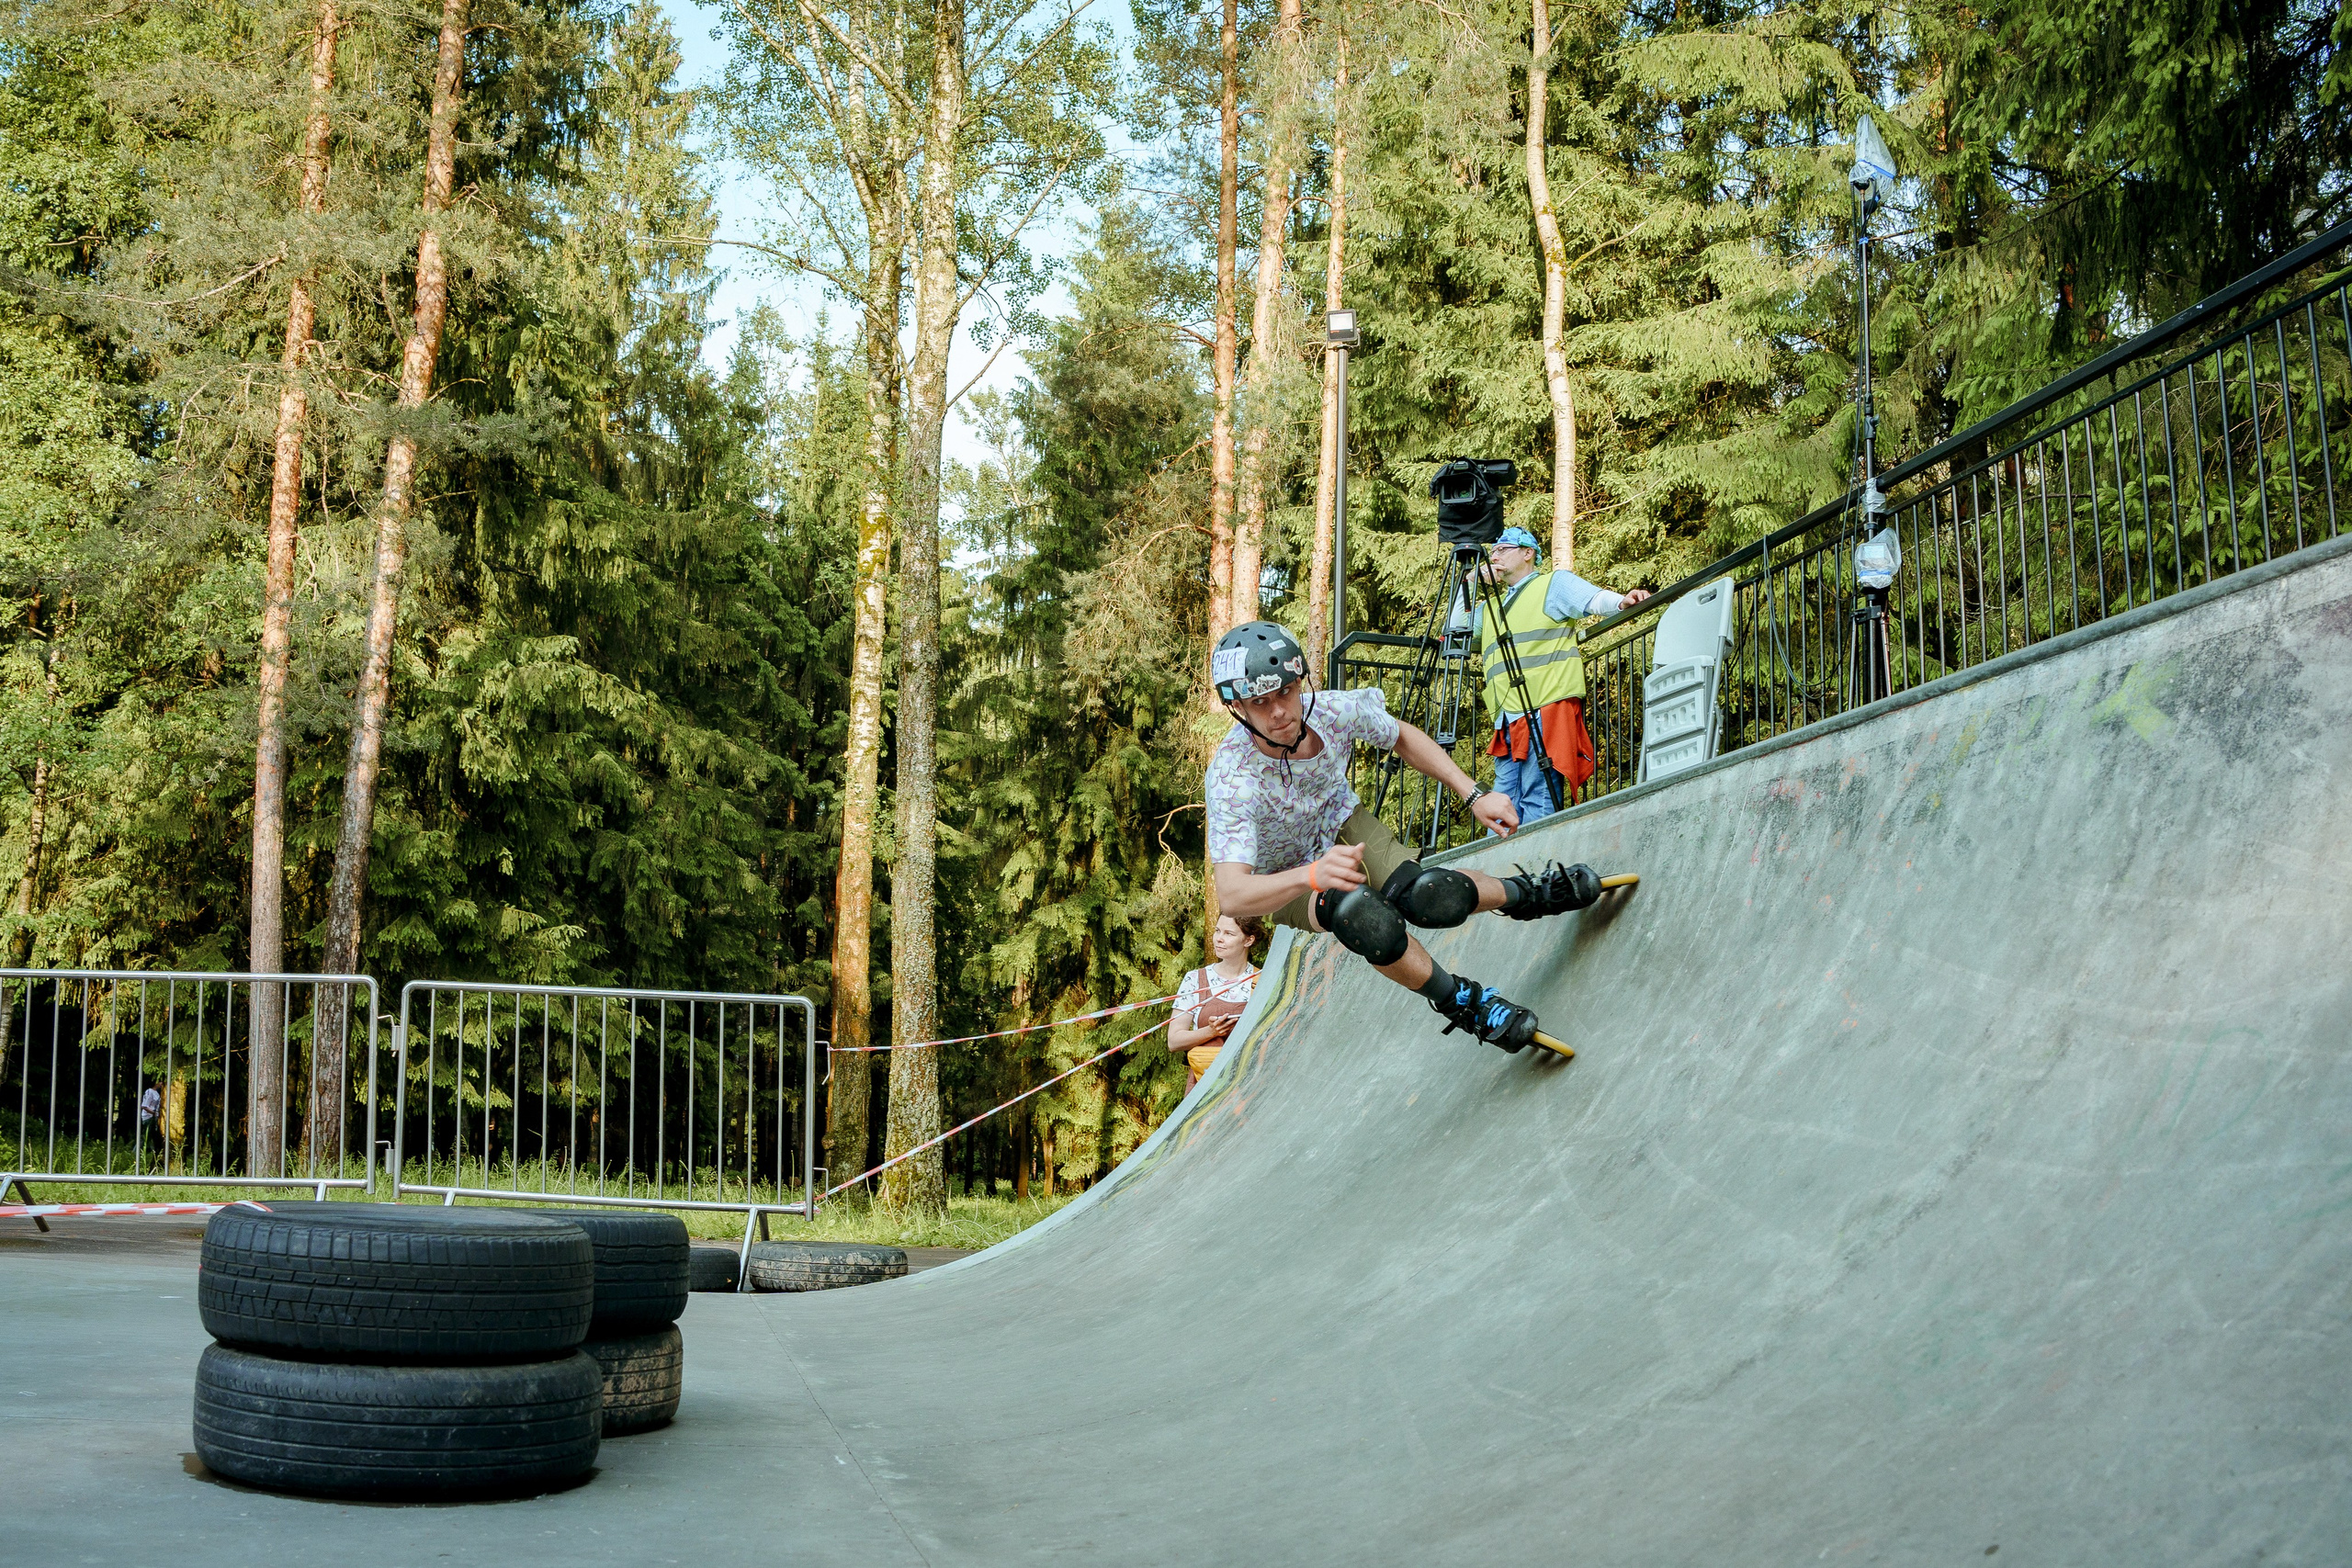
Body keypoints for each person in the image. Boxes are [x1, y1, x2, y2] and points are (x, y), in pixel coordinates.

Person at [1204, 619, 1611, 1055]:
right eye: (1260, 702)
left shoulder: (1332, 712)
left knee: (1430, 895)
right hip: (1284, 875)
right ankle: (1460, 1001)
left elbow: (1401, 736)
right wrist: (1313, 874)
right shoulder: (1232, 777)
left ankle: (1529, 893)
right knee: (1360, 915)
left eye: (1287, 691)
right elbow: (1233, 894)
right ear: (1239, 708)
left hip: (1342, 825)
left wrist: (1472, 793)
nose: (1280, 711)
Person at [1455, 525, 1651, 827]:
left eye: (1502, 549)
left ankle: (1537, 868)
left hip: (1546, 707)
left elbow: (1592, 599)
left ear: (1527, 553)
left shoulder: (1551, 584)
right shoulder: (1490, 607)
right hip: (1507, 718)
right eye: (1492, 551)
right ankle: (1503, 870)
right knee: (1502, 802)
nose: (1494, 556)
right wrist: (1469, 582)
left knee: (1538, 795)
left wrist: (1621, 602)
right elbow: (1457, 634)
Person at [1169, 914, 1263, 1090]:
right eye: (1217, 931)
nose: (1219, 939)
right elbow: (1174, 1041)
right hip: (1204, 1088)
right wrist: (1211, 1031)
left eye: (1229, 933)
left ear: (1249, 940)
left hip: (1249, 1087)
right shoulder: (1194, 979)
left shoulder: (1263, 981)